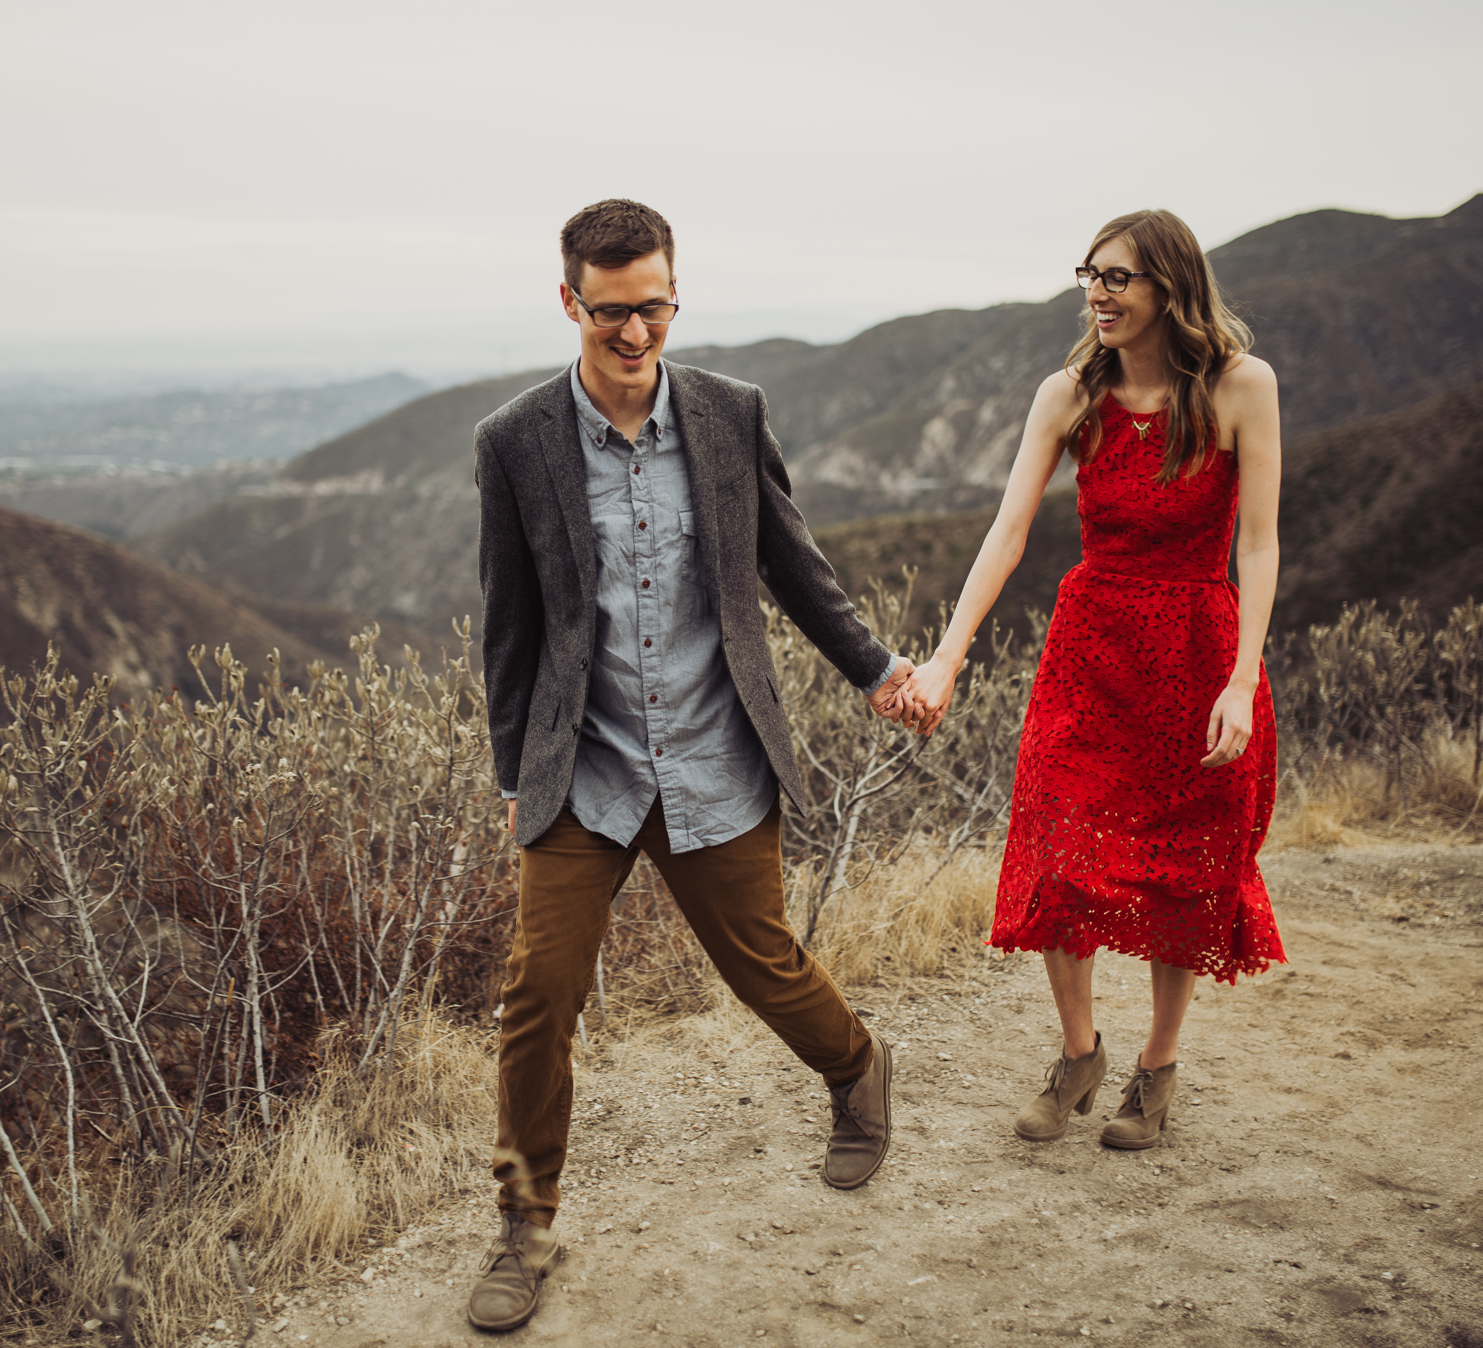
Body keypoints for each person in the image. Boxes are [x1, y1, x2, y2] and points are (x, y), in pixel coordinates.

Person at [467, 198, 915, 1332]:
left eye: (651, 307)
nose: (632, 333)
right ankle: (524, 1226)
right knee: (536, 995)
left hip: (714, 749)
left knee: (761, 961)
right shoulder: (514, 441)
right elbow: (507, 622)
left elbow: (791, 565)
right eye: (609, 311)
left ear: (676, 294)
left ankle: (858, 1068)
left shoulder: (727, 415)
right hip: (585, 764)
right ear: (567, 299)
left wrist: (874, 669)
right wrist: (510, 762)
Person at [898, 208, 1287, 1152]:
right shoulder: (1070, 393)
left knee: (1180, 869)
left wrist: (1241, 680)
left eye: (1117, 278)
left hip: (1197, 647)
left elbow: (1263, 542)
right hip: (1090, 649)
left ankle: (1156, 1069)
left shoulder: (1242, 386)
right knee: (1059, 851)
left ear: (1170, 288)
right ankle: (1080, 1054)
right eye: (1090, 275)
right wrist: (949, 653)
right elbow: (1008, 530)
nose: (1097, 293)